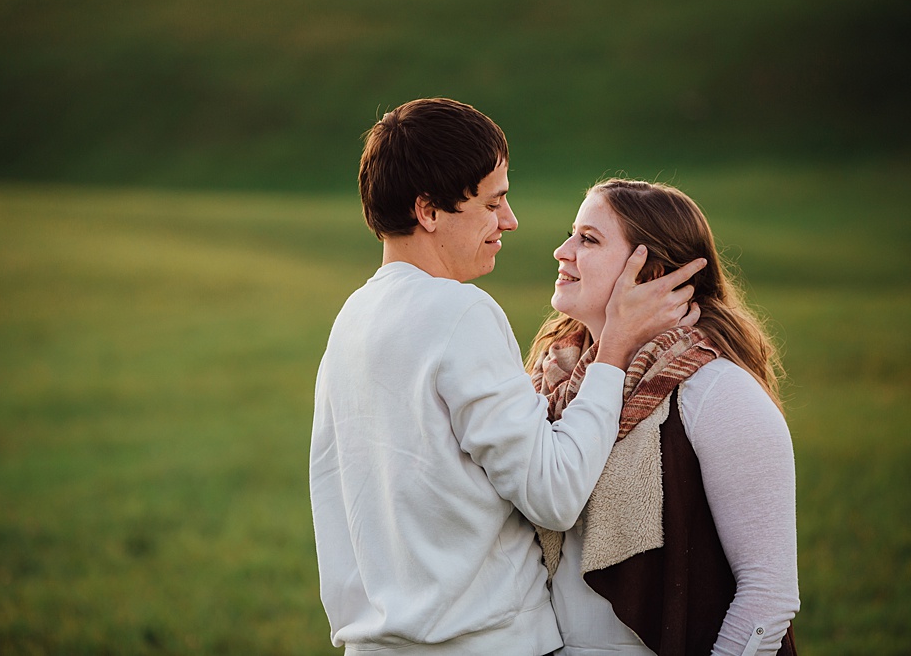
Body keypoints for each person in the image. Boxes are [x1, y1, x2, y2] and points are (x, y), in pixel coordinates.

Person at [309, 99, 707, 655]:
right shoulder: (459, 311)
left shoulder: (352, 318)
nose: (510, 220)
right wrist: (614, 347)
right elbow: (555, 494)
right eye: (492, 202)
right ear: (428, 210)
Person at [526, 178, 800, 655]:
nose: (561, 250)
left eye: (588, 239)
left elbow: (769, 593)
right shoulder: (549, 381)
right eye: (573, 233)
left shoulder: (717, 392)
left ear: (649, 272)